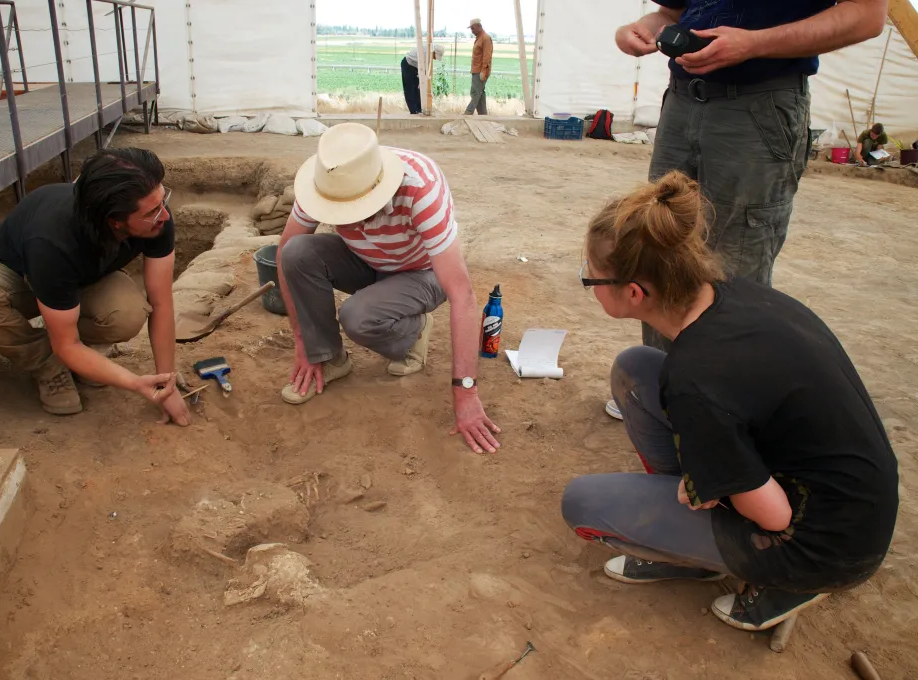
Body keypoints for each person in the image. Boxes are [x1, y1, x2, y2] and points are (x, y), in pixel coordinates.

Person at [562, 172, 898, 632]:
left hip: (823, 543)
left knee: (581, 503)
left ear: (635, 292)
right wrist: (710, 475)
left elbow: (775, 515)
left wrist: (713, 483)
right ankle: (694, 541)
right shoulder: (730, 296)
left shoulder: (696, 378)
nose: (589, 283)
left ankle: (777, 577)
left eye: (591, 278)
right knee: (638, 371)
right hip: (849, 497)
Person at [606, 0, 888, 420]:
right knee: (658, 248)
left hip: (758, 105)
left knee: (733, 266)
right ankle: (669, 395)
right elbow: (675, 12)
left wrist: (755, 44)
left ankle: (722, 418)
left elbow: (867, 16)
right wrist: (643, 27)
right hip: (683, 103)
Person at [276, 122, 501, 455]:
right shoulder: (328, 179)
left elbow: (462, 295)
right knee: (297, 253)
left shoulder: (419, 188)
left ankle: (414, 329)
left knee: (357, 317)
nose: (347, 220)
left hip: (422, 273)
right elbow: (283, 253)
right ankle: (330, 358)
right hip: (366, 261)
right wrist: (303, 342)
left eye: (354, 211)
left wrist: (465, 392)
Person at [0, 148, 190, 426]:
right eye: (153, 210)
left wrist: (165, 380)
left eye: (162, 200)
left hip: (81, 278)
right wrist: (135, 383)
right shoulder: (52, 241)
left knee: (127, 313)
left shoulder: (154, 216)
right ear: (114, 220)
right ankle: (48, 367)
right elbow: (67, 343)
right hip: (21, 279)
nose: (165, 215)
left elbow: (161, 303)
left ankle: (87, 362)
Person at [401, 43, 445, 115]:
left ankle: (419, 109)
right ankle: (414, 111)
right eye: (435, 56)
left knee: (418, 89)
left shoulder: (429, 53)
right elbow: (423, 69)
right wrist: (421, 81)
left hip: (416, 66)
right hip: (408, 64)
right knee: (410, 89)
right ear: (434, 52)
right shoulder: (425, 54)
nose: (435, 58)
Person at [464, 18, 493, 116]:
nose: (471, 31)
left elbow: (487, 56)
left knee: (475, 93)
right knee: (480, 94)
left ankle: (467, 114)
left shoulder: (485, 38)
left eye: (472, 28)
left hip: (480, 71)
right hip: (476, 70)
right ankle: (483, 116)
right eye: (471, 29)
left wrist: (483, 71)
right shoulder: (479, 38)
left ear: (479, 26)